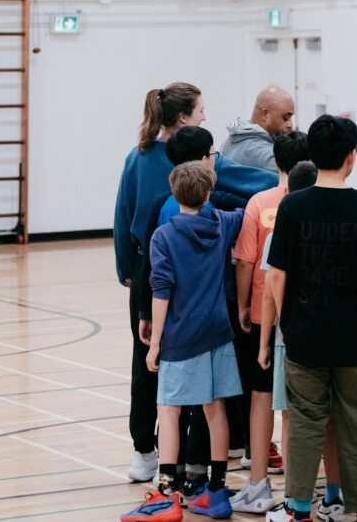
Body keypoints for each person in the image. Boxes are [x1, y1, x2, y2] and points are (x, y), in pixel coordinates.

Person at [264, 115, 357, 522]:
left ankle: (299, 507)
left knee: (304, 422)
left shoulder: (293, 206)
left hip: (305, 335)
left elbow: (277, 273)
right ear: (352, 156)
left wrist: (286, 319)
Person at [134, 163, 245, 521]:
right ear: (208, 195)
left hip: (182, 338)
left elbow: (161, 292)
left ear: (174, 195)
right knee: (215, 409)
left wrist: (155, 345)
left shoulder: (163, 237)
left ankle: (166, 496)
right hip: (218, 334)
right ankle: (216, 491)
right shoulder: (223, 224)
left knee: (169, 410)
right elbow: (248, 209)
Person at [114, 82, 205, 483]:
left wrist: (127, 270)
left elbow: (122, 214)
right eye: (201, 109)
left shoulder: (138, 156)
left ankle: (145, 451)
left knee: (144, 359)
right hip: (183, 266)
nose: (205, 115)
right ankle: (177, 453)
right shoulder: (190, 160)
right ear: (183, 118)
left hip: (145, 267)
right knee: (182, 358)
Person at [231, 131, 309, 513]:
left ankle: (258, 484)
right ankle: (296, 491)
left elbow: (246, 260)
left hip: (266, 317)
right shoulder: (312, 203)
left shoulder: (258, 203)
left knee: (261, 398)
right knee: (293, 405)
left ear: (275, 161)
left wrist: (245, 306)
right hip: (302, 319)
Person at [222, 86, 296, 171]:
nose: (290, 125)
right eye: (286, 118)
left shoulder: (227, 143)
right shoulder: (268, 155)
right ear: (265, 114)